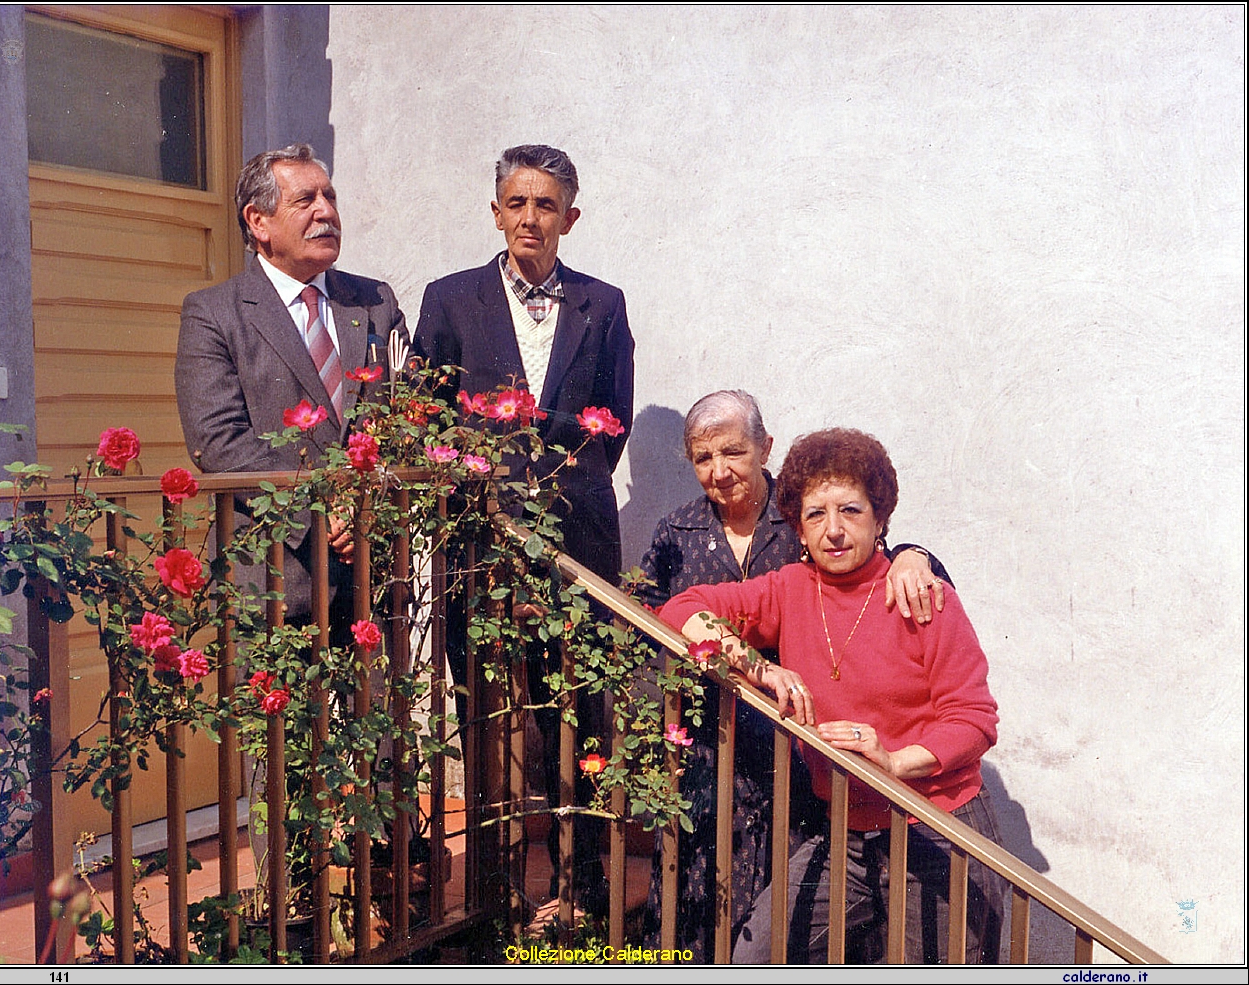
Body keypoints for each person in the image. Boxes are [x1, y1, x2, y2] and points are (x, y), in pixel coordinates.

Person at [658, 427, 1002, 964]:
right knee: (756, 955)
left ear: (881, 519)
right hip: (844, 829)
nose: (834, 531)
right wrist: (757, 667)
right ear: (797, 525)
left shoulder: (923, 596)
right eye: (816, 514)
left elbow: (974, 719)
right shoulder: (790, 589)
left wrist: (893, 760)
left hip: (935, 827)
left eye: (851, 511)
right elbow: (682, 609)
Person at [412, 144, 634, 912]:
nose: (530, 217)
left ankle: (586, 888)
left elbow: (612, 427)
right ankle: (496, 893)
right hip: (479, 544)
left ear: (570, 217)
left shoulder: (602, 305)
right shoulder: (449, 299)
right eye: (517, 202)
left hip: (580, 543)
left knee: (582, 708)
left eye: (546, 205)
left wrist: (538, 430)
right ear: (496, 211)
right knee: (488, 711)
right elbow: (424, 416)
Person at [175, 142, 407, 624]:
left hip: (371, 576)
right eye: (306, 201)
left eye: (330, 196)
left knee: (380, 703)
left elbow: (404, 412)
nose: (326, 211)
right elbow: (218, 442)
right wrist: (319, 514)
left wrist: (365, 511)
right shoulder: (215, 313)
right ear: (258, 222)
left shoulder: (373, 301)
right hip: (274, 578)